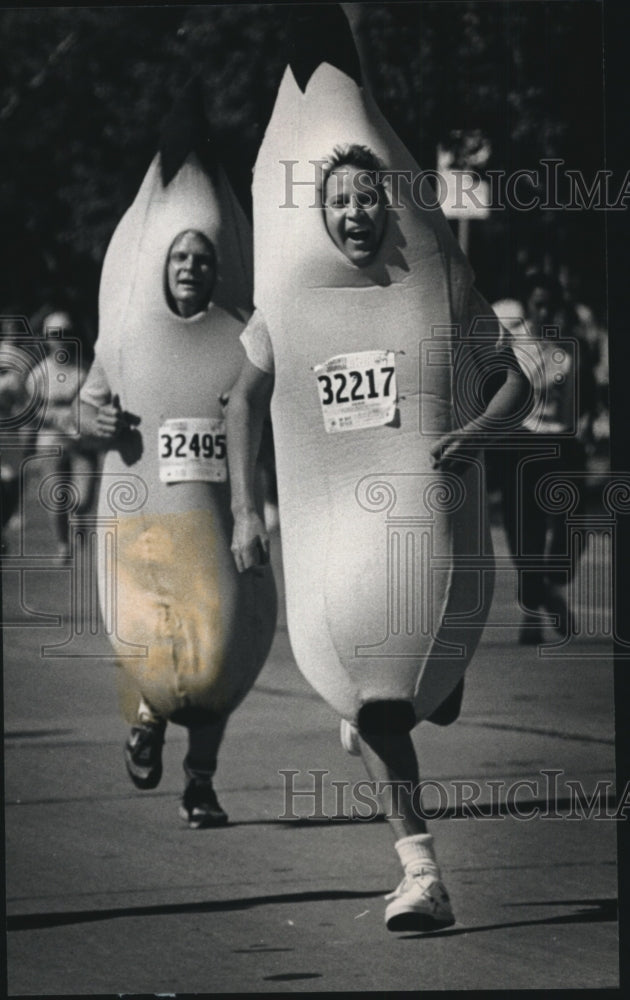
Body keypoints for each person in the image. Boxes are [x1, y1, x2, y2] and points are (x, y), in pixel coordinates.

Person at [227, 142, 531, 931]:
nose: (356, 213)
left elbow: (517, 384)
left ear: (390, 208)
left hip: (426, 543)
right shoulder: (288, 303)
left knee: (427, 701)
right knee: (382, 706)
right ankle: (423, 874)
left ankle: (392, 702)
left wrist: (475, 434)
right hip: (343, 550)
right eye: (341, 201)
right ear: (322, 215)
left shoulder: (433, 288)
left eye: (370, 198)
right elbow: (240, 401)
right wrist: (244, 513)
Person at [81, 218, 276, 829]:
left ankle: (201, 784)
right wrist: (98, 425)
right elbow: (87, 411)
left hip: (216, 523)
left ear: (218, 272)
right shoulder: (126, 335)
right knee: (154, 638)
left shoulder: (242, 336)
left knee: (216, 651)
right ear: (162, 270)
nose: (190, 267)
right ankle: (148, 716)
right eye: (180, 259)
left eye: (202, 260)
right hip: (146, 523)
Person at [492, 272, 598, 643]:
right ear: (527, 305)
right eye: (538, 303)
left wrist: (585, 423)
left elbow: (587, 397)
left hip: (563, 446)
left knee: (570, 533)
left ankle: (551, 587)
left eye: (550, 304)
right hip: (521, 445)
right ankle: (534, 614)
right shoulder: (511, 344)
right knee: (525, 535)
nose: (544, 311)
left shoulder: (571, 348)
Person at [24, 310, 99, 562]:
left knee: (84, 496)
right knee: (57, 498)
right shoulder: (38, 375)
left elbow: (94, 405)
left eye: (65, 334)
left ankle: (78, 517)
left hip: (81, 443)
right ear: (46, 338)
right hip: (51, 442)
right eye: (55, 334)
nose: (60, 339)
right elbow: (30, 412)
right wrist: (55, 419)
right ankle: (62, 544)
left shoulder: (84, 370)